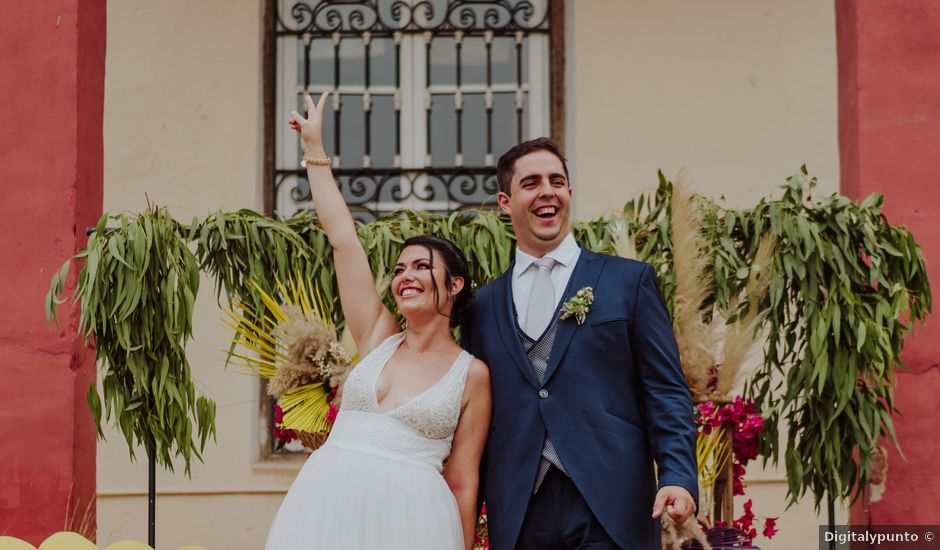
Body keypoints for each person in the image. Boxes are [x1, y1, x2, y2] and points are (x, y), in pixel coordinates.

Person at [265, 92, 491, 550]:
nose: (406, 275)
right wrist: (314, 150)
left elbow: (464, 479)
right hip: (327, 506)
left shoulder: (472, 375)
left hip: (414, 522)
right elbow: (344, 241)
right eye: (401, 268)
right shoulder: (378, 334)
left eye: (422, 266)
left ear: (455, 285)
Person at [461, 138, 698, 549]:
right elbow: (473, 417)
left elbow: (665, 390)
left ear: (569, 192)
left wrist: (678, 475)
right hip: (519, 509)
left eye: (557, 180)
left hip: (612, 503)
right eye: (531, 183)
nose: (547, 191)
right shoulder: (481, 306)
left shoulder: (628, 281)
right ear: (505, 200)